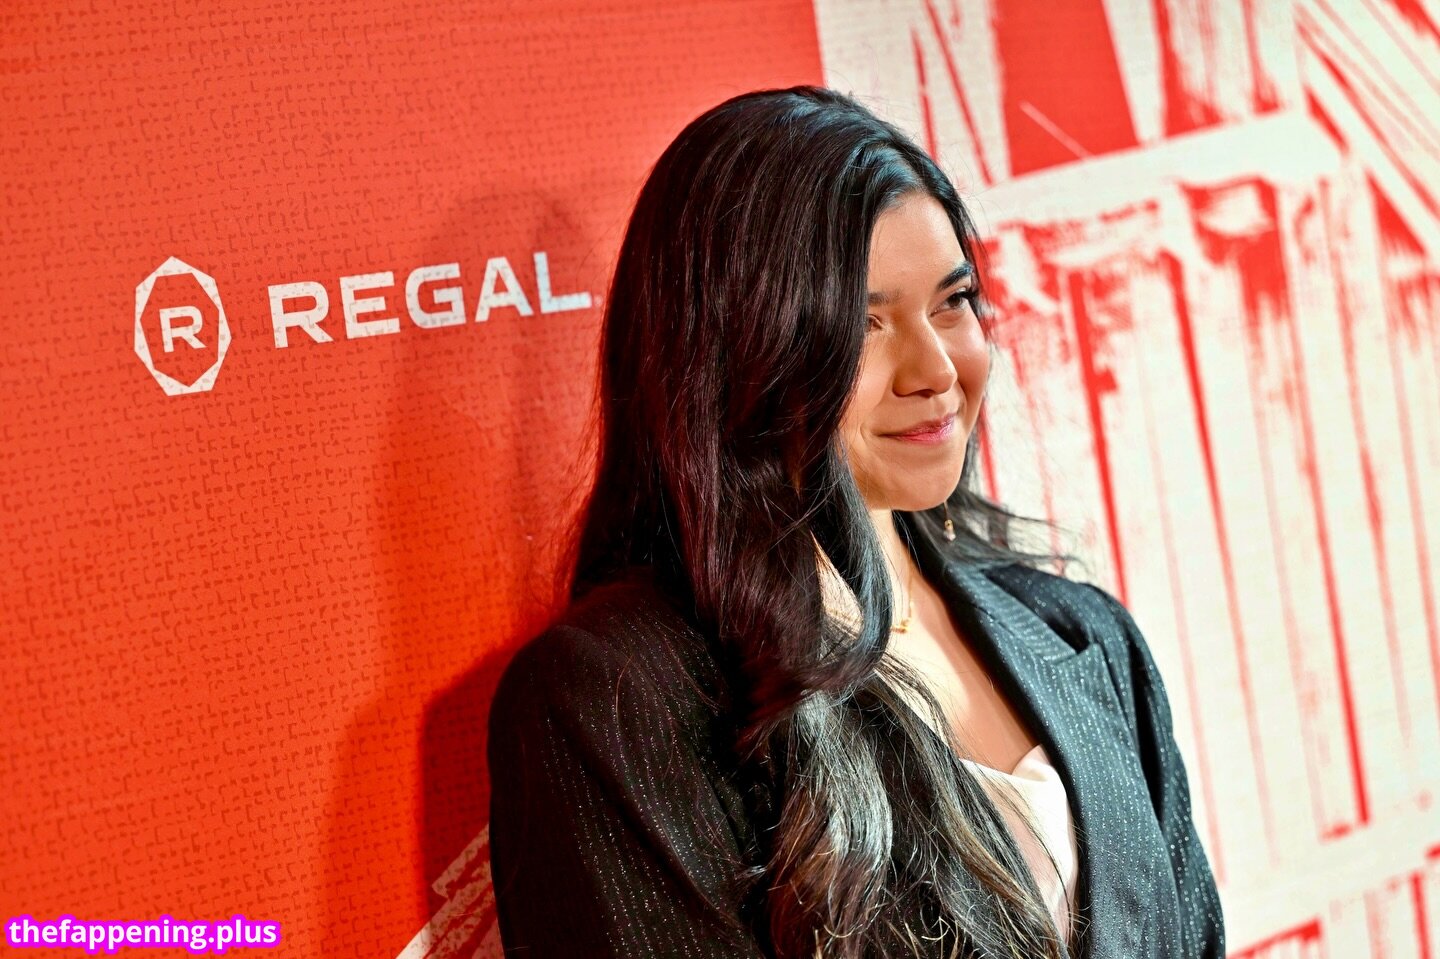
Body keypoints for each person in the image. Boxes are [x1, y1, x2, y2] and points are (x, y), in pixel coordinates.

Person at [486, 85, 1225, 959]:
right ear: (733, 353)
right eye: (864, 324)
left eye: (952, 301)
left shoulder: (1087, 637)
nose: (935, 368)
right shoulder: (615, 697)